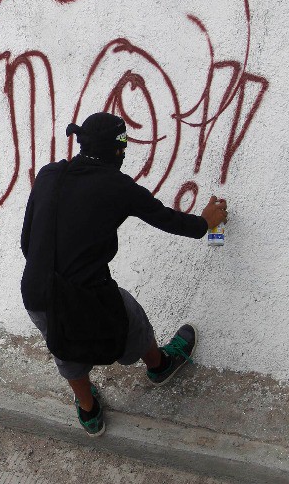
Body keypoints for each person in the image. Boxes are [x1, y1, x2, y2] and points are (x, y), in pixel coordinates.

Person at [19, 112, 229, 437]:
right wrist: (205, 222)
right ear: (117, 151)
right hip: (88, 292)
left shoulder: (50, 174)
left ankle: (89, 412)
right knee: (132, 319)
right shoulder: (117, 186)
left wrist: (54, 273)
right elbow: (169, 220)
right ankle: (160, 366)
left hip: (36, 291)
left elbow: (26, 240)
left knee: (62, 344)